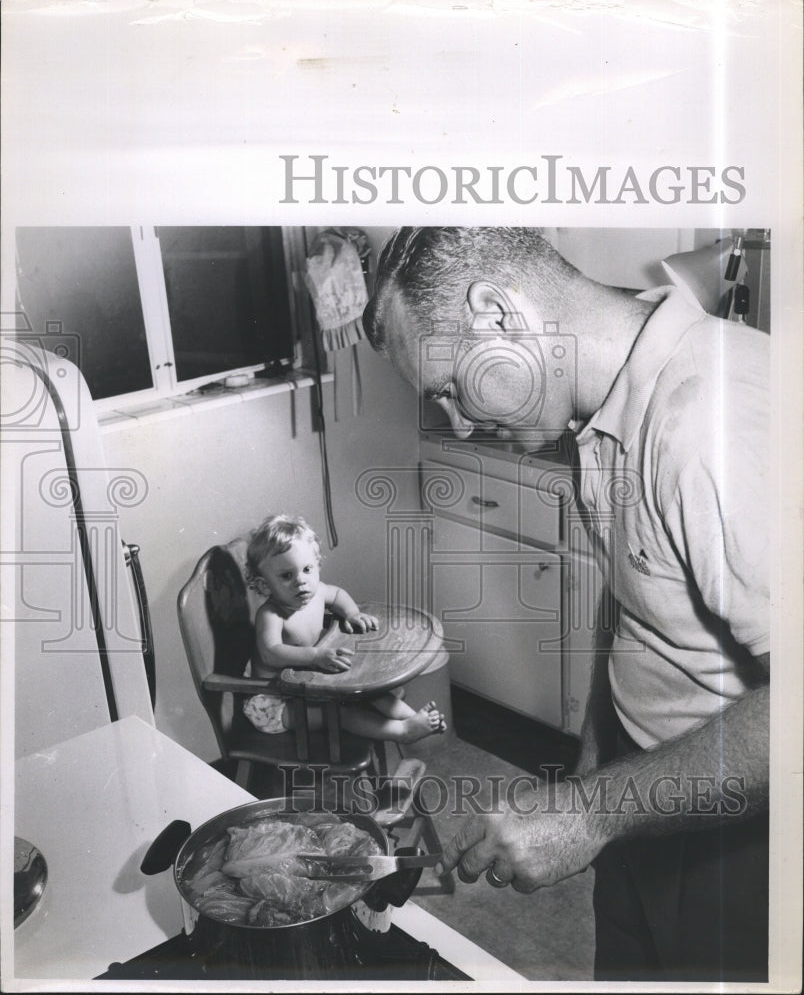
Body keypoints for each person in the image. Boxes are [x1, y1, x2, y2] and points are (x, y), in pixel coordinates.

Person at [363, 227, 770, 983]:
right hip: (647, 810)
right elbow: (631, 607)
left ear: (497, 314)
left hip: (741, 850)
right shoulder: (598, 411)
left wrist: (592, 815)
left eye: (447, 387)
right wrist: (591, 782)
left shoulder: (713, 420)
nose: (455, 424)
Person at [243, 513, 447, 744]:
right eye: (286, 576)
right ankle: (402, 732)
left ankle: (414, 719)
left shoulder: (317, 592)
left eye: (307, 569)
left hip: (306, 685)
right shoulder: (271, 614)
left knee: (367, 689)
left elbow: (337, 594)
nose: (301, 581)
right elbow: (271, 652)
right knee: (340, 714)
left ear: (317, 563)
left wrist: (351, 613)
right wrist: (315, 655)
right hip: (275, 701)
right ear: (264, 584)